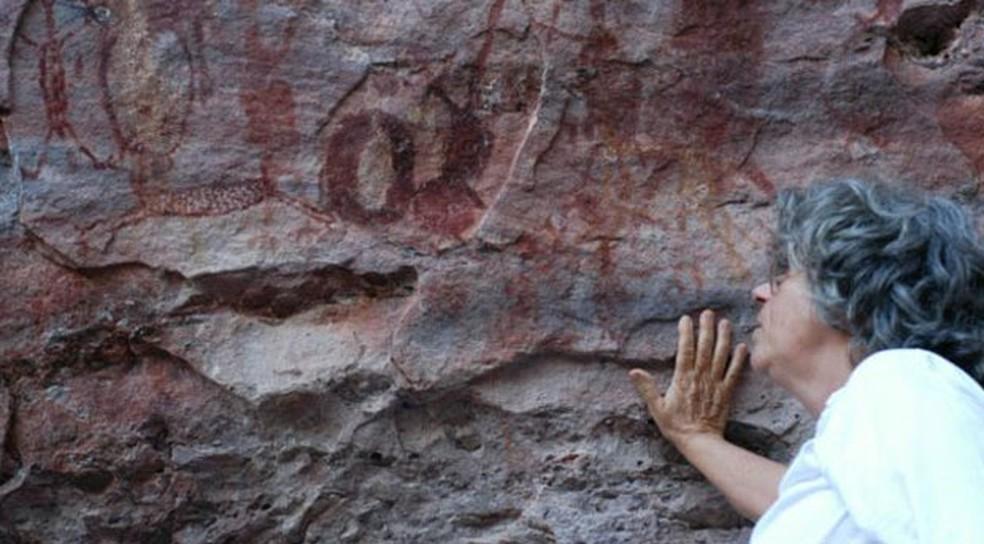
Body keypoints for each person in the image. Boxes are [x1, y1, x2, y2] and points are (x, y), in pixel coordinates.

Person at [629, 179, 984, 543]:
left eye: (782, 279)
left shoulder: (902, 381)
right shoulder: (882, 416)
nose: (760, 293)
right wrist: (696, 439)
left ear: (850, 299)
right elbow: (809, 510)